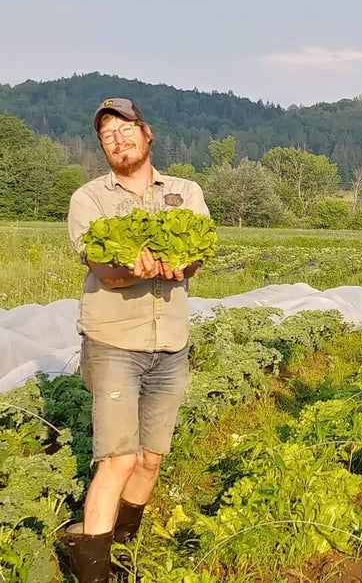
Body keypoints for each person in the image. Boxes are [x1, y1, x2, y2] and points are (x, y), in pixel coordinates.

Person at [65, 98, 209, 583]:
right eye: (107, 135)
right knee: (118, 459)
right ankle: (93, 574)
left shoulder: (185, 191)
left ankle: (120, 551)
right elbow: (103, 270)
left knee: (150, 459)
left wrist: (180, 264)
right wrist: (130, 269)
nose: (118, 139)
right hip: (113, 343)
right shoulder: (89, 199)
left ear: (147, 135)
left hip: (170, 343)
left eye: (126, 129)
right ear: (102, 148)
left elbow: (196, 254)